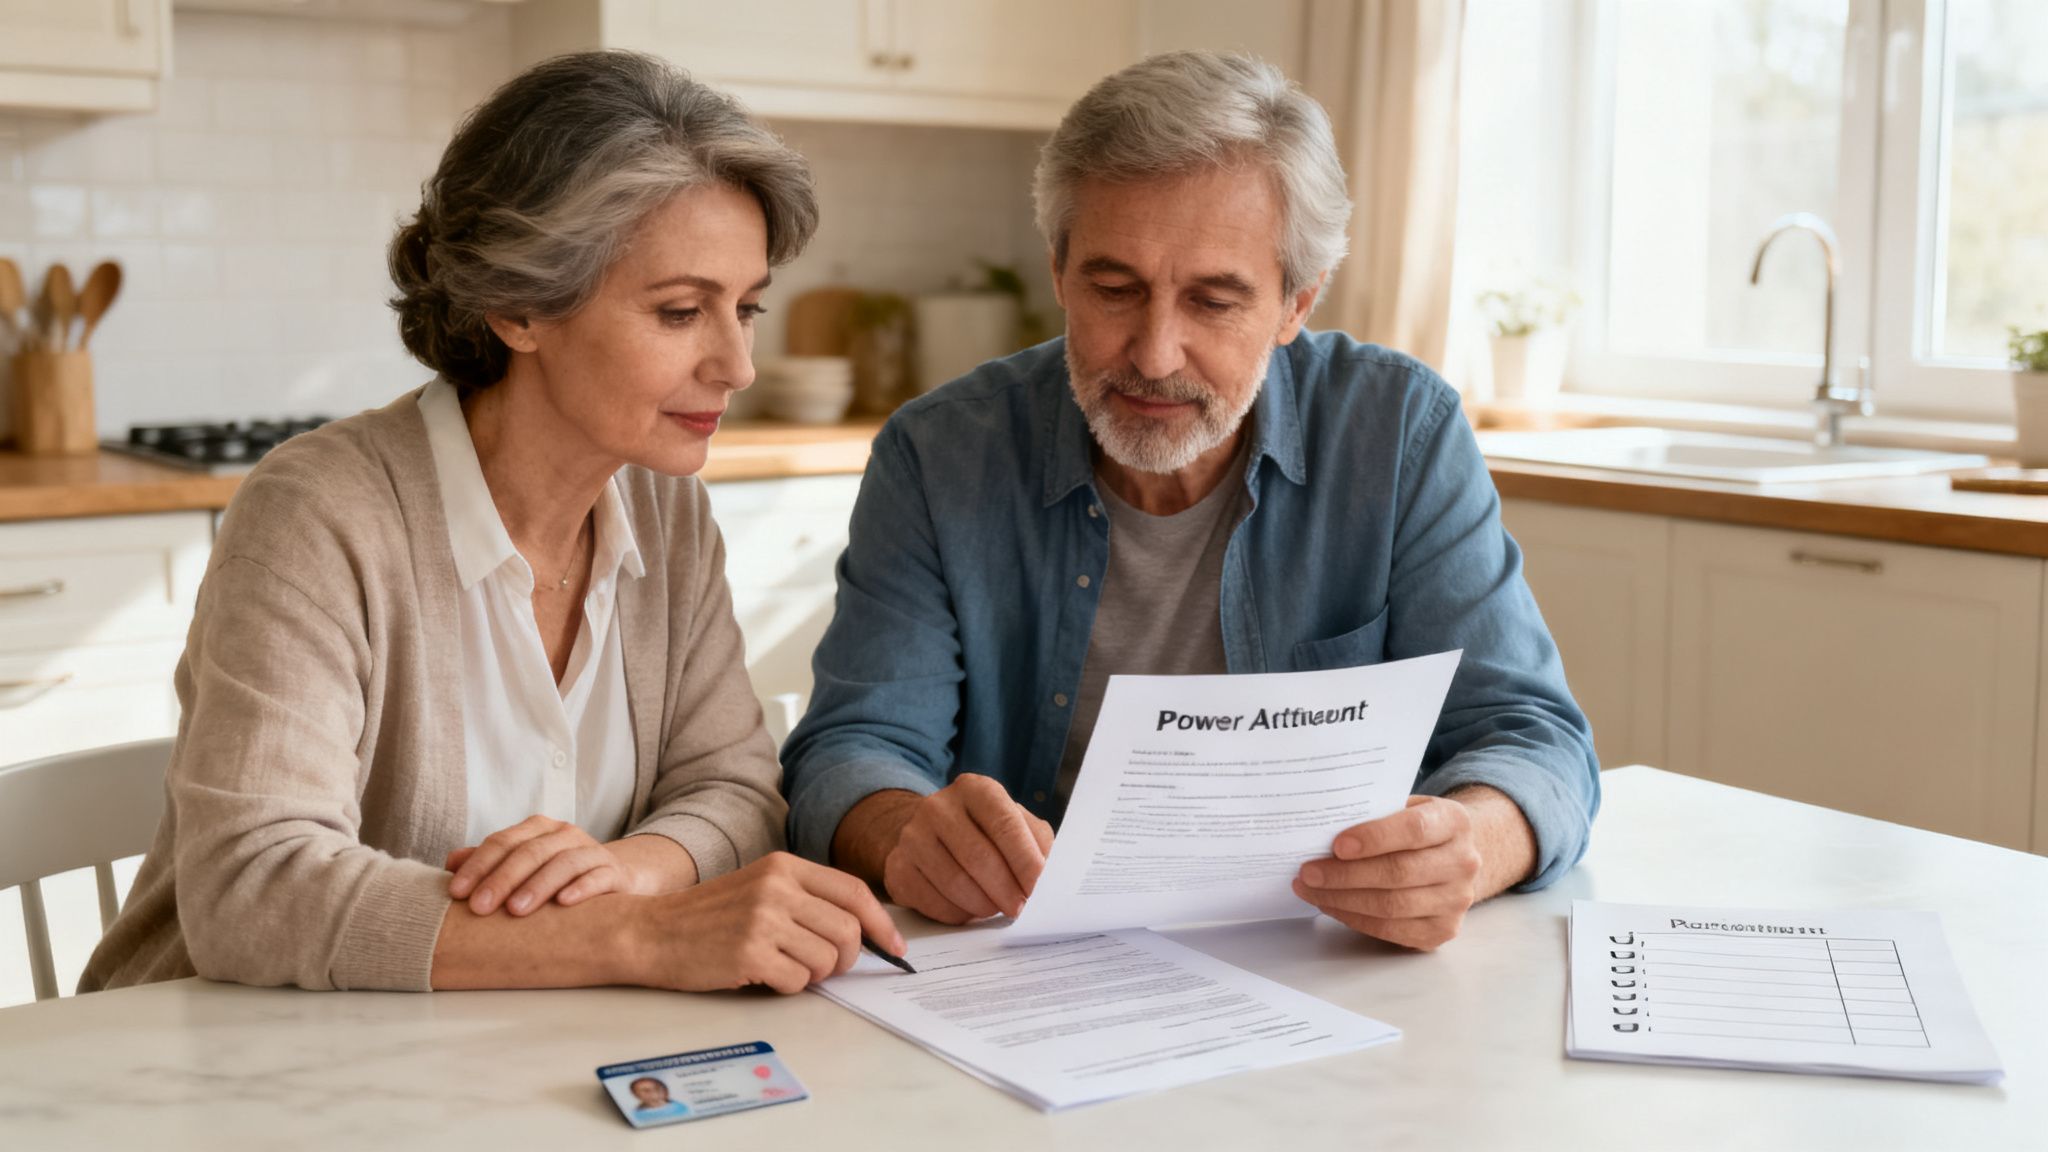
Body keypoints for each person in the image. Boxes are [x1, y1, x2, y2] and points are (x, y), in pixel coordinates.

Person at [81, 51, 900, 997]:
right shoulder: (321, 514)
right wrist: (635, 936)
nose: (739, 365)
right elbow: (255, 889)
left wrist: (626, 873)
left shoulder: (667, 511)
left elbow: (737, 793)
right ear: (518, 307)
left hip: (501, 1053)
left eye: (746, 308)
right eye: (681, 312)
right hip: (220, 1061)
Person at [782, 51, 1599, 952]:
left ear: (1295, 304)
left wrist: (1471, 846)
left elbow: (1534, 738)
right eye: (1113, 290)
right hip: (1029, 960)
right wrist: (903, 831)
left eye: (1212, 301)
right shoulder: (938, 454)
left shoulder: (1399, 433)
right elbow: (850, 752)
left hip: (1318, 957)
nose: (1155, 353)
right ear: (1058, 273)